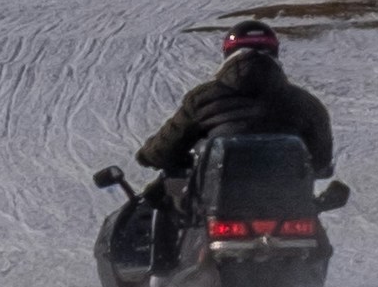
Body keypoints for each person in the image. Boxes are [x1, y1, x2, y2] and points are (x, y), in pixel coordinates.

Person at [118, 18, 335, 273]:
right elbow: (321, 159)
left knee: (163, 195)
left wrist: (150, 154)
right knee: (315, 232)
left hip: (216, 202)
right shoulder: (305, 103)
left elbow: (165, 150)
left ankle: (160, 271)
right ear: (274, 53)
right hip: (285, 206)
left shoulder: (204, 98)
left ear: (229, 53)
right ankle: (310, 283)